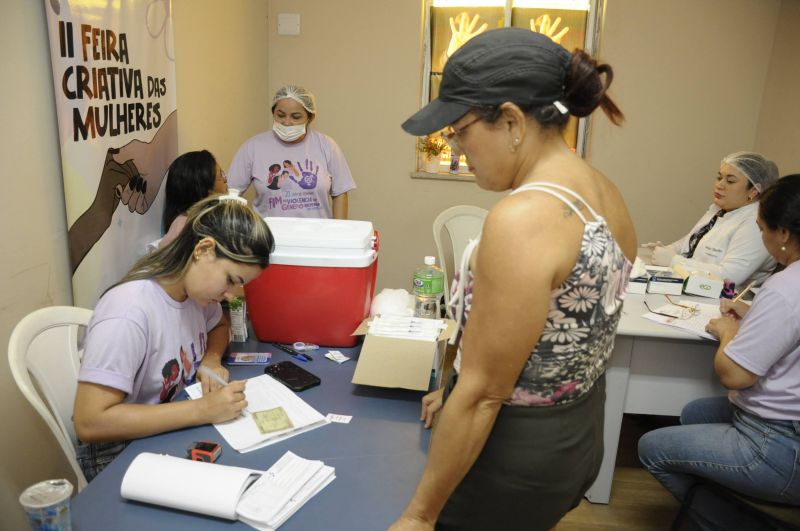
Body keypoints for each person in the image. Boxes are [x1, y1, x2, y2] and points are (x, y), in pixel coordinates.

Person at [390, 27, 637, 530]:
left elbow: (485, 393)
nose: (458, 148)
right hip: (578, 432)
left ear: (510, 120)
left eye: (460, 130)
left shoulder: (523, 218)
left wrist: (418, 517)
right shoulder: (603, 190)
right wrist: (455, 384)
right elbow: (549, 337)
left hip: (513, 454)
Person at [73, 195, 274, 481]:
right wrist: (202, 410)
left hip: (166, 424)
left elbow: (219, 325)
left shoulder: (194, 295)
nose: (231, 295)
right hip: (118, 450)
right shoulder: (128, 313)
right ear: (204, 249)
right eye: (231, 279)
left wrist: (211, 359)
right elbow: (90, 422)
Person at [638, 174, 800, 530]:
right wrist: (754, 316)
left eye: (762, 229)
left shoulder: (785, 287)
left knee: (653, 448)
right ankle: (722, 495)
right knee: (696, 412)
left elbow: (734, 375)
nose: (762, 237)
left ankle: (731, 520)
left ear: (784, 234)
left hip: (782, 445)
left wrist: (728, 331)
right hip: (789, 426)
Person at [647, 151, 779, 287]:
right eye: (719, 177)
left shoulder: (756, 222)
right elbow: (689, 242)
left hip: (726, 299)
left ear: (753, 191)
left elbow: (730, 276)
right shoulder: (720, 208)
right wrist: (667, 250)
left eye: (730, 181)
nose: (720, 185)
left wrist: (674, 261)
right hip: (692, 285)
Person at [227, 85, 356, 219]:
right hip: (269, 238)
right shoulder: (253, 147)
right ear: (273, 113)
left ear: (310, 118)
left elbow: (340, 193)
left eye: (296, 117)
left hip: (317, 237)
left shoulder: (327, 146)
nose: (287, 122)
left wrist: (338, 234)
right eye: (281, 115)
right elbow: (229, 195)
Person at [159, 149, 228, 248]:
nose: (225, 179)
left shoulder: (212, 217)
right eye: (221, 174)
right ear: (206, 187)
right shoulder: (185, 227)